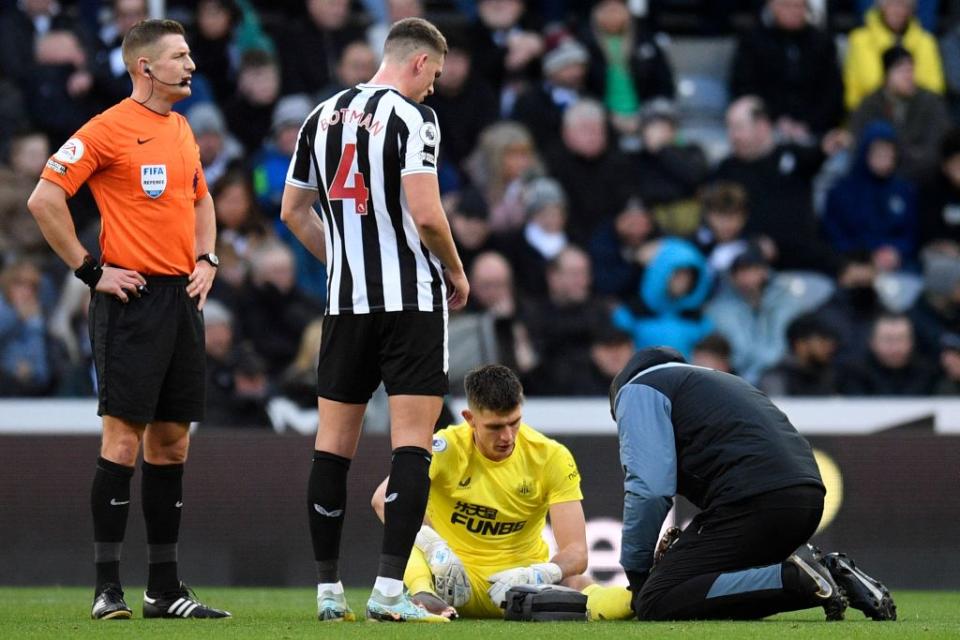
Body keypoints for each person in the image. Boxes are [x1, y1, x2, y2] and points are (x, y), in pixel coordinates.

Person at [26, 19, 229, 620]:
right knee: (123, 441)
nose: (191, 65)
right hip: (130, 302)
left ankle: (164, 590)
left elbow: (201, 196)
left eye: (191, 55)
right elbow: (45, 198)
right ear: (145, 67)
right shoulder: (108, 128)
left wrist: (207, 256)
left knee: (171, 445)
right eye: (179, 56)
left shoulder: (184, 127)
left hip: (181, 300)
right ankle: (106, 588)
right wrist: (92, 272)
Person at [280, 17, 469, 623]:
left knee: (331, 449)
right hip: (411, 302)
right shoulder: (416, 119)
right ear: (417, 63)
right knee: (410, 448)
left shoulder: (320, 115)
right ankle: (390, 592)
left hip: (345, 306)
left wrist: (342, 264)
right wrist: (457, 274)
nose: (434, 88)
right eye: (434, 75)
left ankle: (328, 591)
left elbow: (292, 210)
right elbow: (428, 214)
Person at [609, 346, 897, 621]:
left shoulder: (637, 390)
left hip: (754, 501)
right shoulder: (717, 380)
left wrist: (638, 575)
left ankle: (798, 579)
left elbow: (649, 490)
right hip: (806, 497)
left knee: (656, 599)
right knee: (708, 589)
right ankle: (829, 573)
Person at [370, 364, 634, 620]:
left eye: (514, 422)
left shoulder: (550, 456)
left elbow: (577, 552)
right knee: (404, 535)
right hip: (451, 582)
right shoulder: (445, 447)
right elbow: (384, 499)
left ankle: (637, 602)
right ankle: (422, 594)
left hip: (520, 590)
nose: (507, 436)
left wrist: (538, 574)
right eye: (495, 427)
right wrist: (436, 549)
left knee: (577, 582)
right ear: (470, 419)